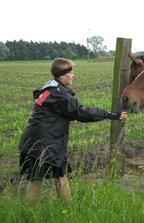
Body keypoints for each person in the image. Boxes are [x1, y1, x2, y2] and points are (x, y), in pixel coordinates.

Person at [19, 58, 127, 203]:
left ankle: (41, 210)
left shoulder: (49, 88)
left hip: (35, 138)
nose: (73, 75)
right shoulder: (61, 94)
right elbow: (81, 113)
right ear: (62, 75)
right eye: (70, 72)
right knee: (52, 176)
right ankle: (67, 209)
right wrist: (109, 114)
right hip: (46, 142)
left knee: (42, 177)